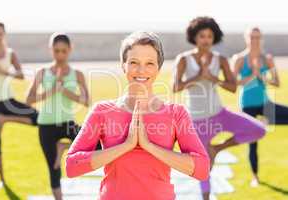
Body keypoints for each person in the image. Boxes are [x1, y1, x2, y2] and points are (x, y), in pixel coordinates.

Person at [65, 31, 210, 200]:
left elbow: (202, 169)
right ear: (123, 65)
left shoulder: (175, 114)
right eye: (134, 62)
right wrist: (126, 145)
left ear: (158, 67)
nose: (141, 70)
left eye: (149, 63)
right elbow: (72, 167)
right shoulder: (102, 111)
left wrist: (149, 146)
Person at [172, 17, 266, 200]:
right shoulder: (184, 59)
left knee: (258, 129)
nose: (206, 40)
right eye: (202, 36)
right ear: (194, 37)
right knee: (204, 167)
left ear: (214, 38)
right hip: (198, 121)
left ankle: (217, 149)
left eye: (209, 36)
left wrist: (213, 78)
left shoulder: (220, 59)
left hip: (220, 114)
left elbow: (232, 87)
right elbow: (175, 86)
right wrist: (199, 76)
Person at [26, 33, 101, 200]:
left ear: (70, 50)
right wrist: (52, 90)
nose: (60, 55)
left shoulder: (77, 74)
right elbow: (29, 99)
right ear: (50, 50)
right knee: (54, 169)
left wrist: (64, 90)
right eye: (56, 51)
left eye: (63, 51)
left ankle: (63, 147)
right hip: (46, 125)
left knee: (98, 145)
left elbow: (86, 101)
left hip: (67, 123)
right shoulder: (43, 72)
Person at [232, 27, 288, 187]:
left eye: (257, 37)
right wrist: (252, 75)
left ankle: (265, 121)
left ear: (261, 39)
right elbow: (233, 84)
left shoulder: (268, 58)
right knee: (253, 142)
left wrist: (263, 77)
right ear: (246, 38)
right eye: (252, 37)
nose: (255, 40)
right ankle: (255, 177)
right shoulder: (239, 59)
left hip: (265, 104)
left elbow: (277, 82)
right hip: (247, 105)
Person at [0, 22, 38, 188]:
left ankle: (6, 119)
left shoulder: (10, 53)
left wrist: (4, 71)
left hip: (8, 100)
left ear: (4, 34)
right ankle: (2, 180)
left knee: (38, 117)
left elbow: (21, 75)